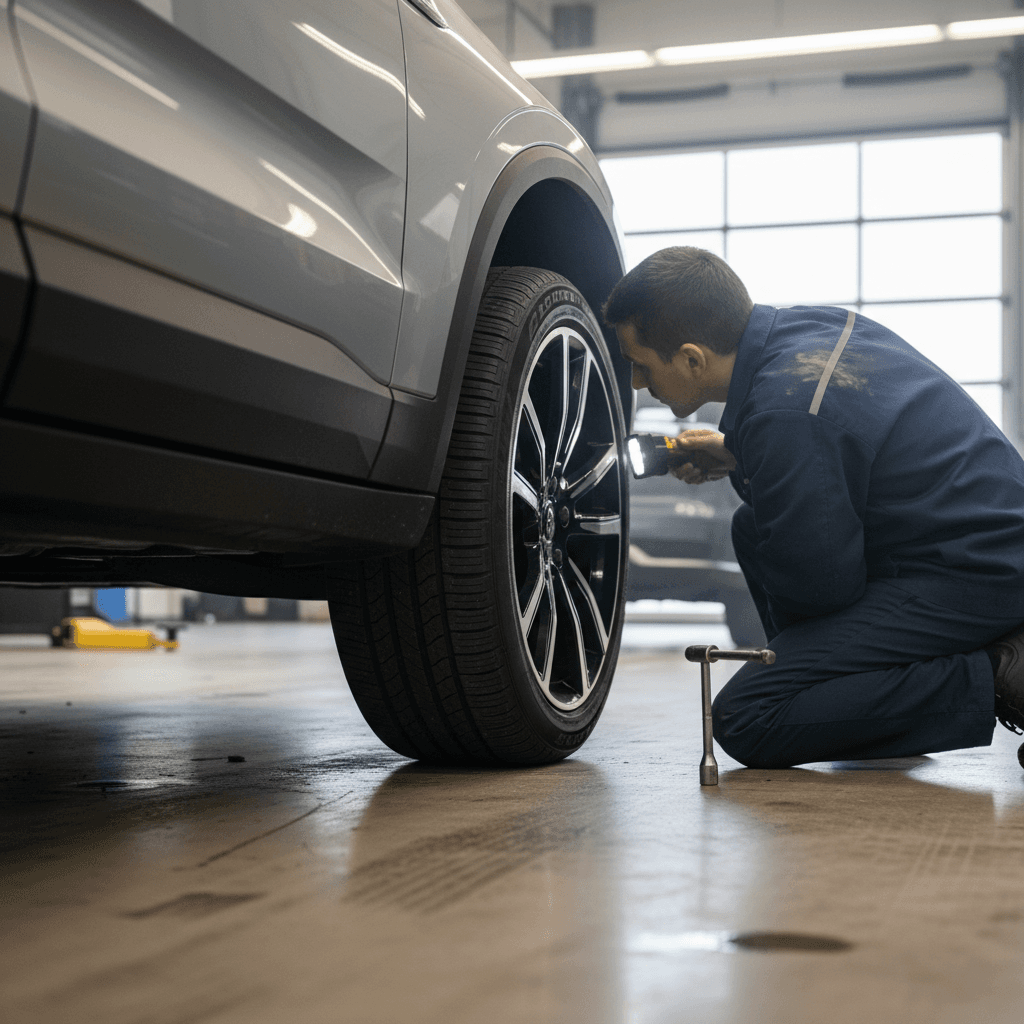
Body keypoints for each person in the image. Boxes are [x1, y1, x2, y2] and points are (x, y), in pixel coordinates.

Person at [603, 245, 1024, 769]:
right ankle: (854, 699)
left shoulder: (785, 412)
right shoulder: (810, 329)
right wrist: (740, 455)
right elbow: (840, 436)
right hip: (977, 542)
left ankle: (1005, 671)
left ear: (692, 358)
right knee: (752, 528)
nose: (640, 384)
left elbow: (824, 589)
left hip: (974, 571)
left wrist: (762, 462)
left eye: (641, 366)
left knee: (749, 715)